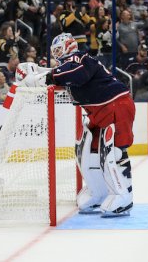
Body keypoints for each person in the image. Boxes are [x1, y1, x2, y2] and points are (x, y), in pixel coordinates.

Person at [32, 33, 135, 217]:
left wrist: (46, 77)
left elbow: (75, 74)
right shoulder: (69, 65)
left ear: (69, 46)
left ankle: (123, 196)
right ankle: (99, 192)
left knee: (115, 151)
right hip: (98, 111)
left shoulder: (80, 58)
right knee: (87, 151)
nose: (56, 54)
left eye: (58, 49)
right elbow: (65, 76)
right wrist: (38, 73)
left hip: (116, 104)